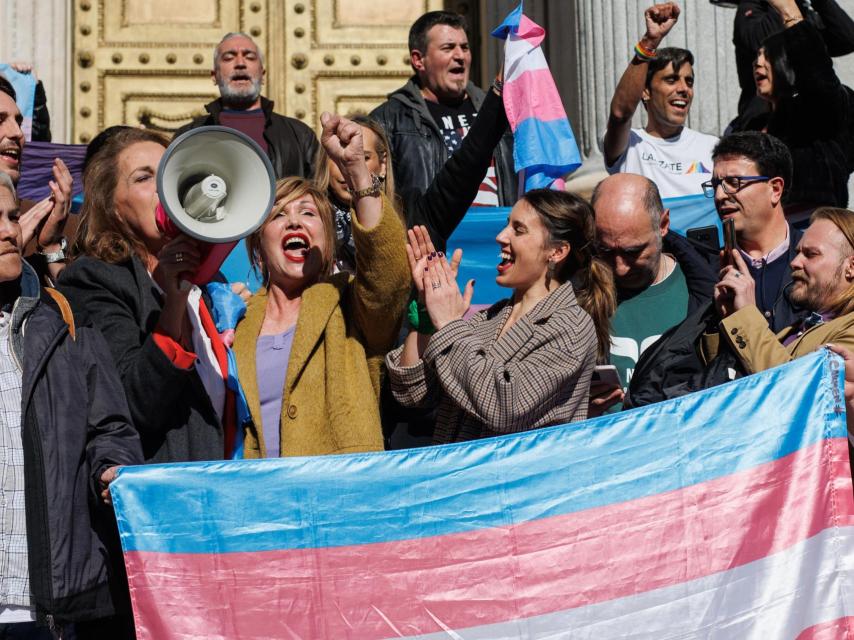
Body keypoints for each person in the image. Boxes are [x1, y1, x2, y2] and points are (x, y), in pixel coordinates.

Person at [0, 171, 143, 638]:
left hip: (42, 606)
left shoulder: (61, 322)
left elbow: (111, 428)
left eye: (12, 217)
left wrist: (111, 467)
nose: (8, 230)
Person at [231, 113, 409, 457]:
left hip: (339, 502)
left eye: (308, 214)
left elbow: (387, 276)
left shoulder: (350, 307)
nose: (294, 220)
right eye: (279, 215)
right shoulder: (236, 319)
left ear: (327, 242)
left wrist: (357, 167)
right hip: (259, 503)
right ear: (258, 245)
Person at [386, 190, 616, 444]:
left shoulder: (571, 326)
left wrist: (450, 324)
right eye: (507, 225)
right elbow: (413, 392)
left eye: (518, 230)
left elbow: (504, 405)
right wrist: (427, 313)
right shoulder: (488, 319)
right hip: (460, 478)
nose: (500, 237)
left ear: (557, 252)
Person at [58, 127, 230, 463]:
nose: (164, 188)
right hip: (163, 498)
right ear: (113, 207)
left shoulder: (208, 285)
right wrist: (174, 305)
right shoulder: (95, 280)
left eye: (170, 174)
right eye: (143, 178)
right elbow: (134, 405)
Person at [705, 206, 854, 484]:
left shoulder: (849, 329)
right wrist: (725, 318)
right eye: (797, 252)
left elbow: (792, 389)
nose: (795, 263)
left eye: (811, 254)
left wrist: (747, 317)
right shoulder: (797, 327)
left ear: (851, 267)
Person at [314, 70, 510, 272]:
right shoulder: (309, 218)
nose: (350, 169)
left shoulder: (415, 215)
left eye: (362, 158)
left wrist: (500, 89)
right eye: (339, 160)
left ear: (383, 164)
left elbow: (470, 160)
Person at [589, 173, 716, 414]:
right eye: (604, 250)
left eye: (632, 251)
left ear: (663, 224)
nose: (620, 268)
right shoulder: (573, 293)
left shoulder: (708, 290)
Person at [371, 11, 516, 209]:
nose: (460, 56)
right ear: (418, 60)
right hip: (431, 238)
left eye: (464, 47)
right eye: (448, 48)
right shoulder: (387, 120)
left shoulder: (500, 110)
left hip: (499, 234)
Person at [734, 0, 851, 216]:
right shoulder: (750, 126)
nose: (757, 63)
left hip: (812, 228)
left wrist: (792, 12)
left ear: (789, 62)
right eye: (757, 56)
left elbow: (842, 42)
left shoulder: (821, 110)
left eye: (766, 56)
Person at [604, 2, 718, 199]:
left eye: (689, 82)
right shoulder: (630, 145)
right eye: (671, 80)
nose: (684, 89)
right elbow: (620, 114)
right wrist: (650, 42)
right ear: (645, 91)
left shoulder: (712, 147)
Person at [175, 32, 318, 180]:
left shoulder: (299, 135)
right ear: (214, 76)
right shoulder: (188, 136)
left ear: (262, 75)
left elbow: (320, 194)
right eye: (229, 57)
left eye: (249, 57)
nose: (240, 63)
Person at [701, 131, 806, 332]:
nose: (719, 195)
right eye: (715, 185)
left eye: (734, 183)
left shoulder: (817, 263)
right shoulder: (708, 269)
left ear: (775, 189)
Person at [728, 0, 854, 130]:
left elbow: (847, 39)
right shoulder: (751, 6)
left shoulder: (803, 14)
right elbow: (763, 42)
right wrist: (787, 9)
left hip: (808, 115)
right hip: (763, 118)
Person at [0, 75, 72, 282]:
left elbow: (71, 311)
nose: (17, 133)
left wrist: (51, 248)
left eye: (18, 122)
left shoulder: (57, 222)